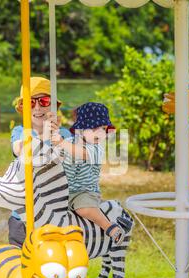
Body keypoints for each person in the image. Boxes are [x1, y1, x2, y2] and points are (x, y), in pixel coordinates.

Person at [50, 102, 127, 245]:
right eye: (94, 128)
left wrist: (61, 142)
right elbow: (57, 156)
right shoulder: (69, 141)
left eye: (103, 129)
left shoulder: (97, 149)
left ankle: (109, 227)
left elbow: (80, 154)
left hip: (84, 191)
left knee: (84, 209)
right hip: (64, 190)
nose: (100, 133)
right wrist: (54, 138)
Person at [8, 77, 72, 247]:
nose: (37, 107)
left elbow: (75, 162)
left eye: (44, 101)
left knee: (55, 266)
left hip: (57, 215)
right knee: (22, 264)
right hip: (23, 217)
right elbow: (21, 151)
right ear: (22, 108)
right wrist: (44, 135)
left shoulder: (64, 135)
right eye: (30, 102)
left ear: (53, 106)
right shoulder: (20, 132)